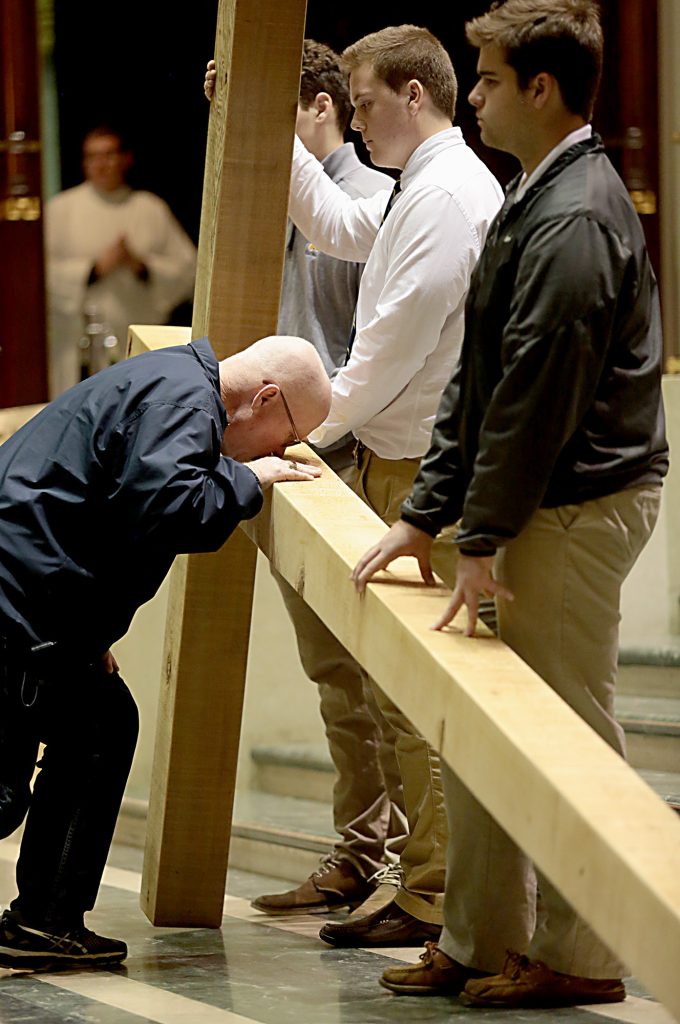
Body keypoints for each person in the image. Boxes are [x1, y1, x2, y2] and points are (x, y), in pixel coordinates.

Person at [352, 0, 668, 1008]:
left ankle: (582, 952)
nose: (471, 95)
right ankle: (481, 934)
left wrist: (476, 532)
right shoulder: (532, 187)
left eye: (484, 79)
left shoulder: (573, 212)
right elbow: (476, 378)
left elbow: (534, 395)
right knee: (484, 726)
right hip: (528, 497)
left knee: (564, 728)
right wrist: (426, 510)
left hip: (575, 503)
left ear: (539, 89)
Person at [252, 25, 503, 946]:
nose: (352, 125)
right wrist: (261, 122)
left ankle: (434, 894)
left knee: (416, 695)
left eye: (361, 104)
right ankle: (432, 887)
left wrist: (293, 431)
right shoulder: (417, 189)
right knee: (399, 693)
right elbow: (334, 221)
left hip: (422, 466)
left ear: (410, 94)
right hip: (404, 456)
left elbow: (384, 358)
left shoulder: (445, 198)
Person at [0, 334, 331, 970]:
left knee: (101, 722)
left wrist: (87, 636)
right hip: (16, 606)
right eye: (289, 436)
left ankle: (44, 920)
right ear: (264, 398)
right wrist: (249, 479)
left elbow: (109, 507)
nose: (285, 454)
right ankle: (43, 917)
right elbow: (170, 509)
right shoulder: (185, 401)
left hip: (35, 603)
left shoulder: (173, 385)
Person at [45, 125, 197, 398]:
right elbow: (39, 276)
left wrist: (142, 267)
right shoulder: (61, 210)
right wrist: (92, 270)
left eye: (108, 155)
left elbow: (189, 271)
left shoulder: (150, 208)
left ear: (126, 159)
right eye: (92, 157)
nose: (101, 165)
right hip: (77, 346)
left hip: (136, 339)